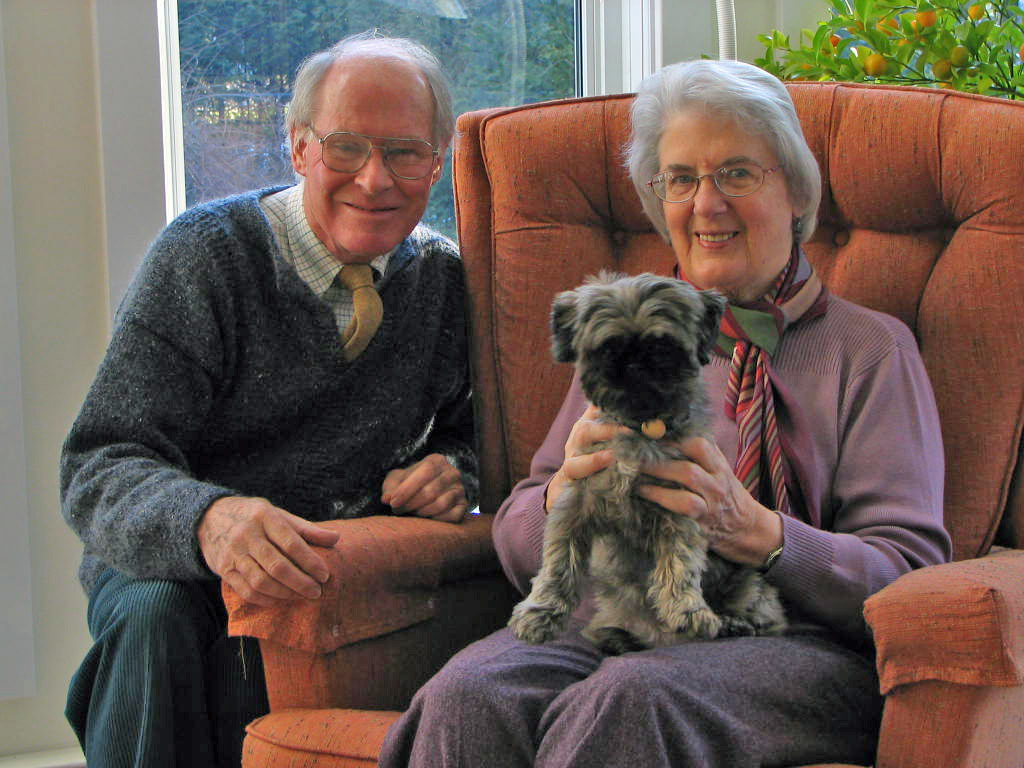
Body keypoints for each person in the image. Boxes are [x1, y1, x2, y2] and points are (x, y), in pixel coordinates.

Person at [378, 59, 952, 768]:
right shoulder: (622, 341)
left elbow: (909, 575)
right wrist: (563, 497)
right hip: (608, 619)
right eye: (681, 179)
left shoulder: (869, 352)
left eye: (737, 173)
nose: (705, 204)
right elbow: (524, 531)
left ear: (796, 192)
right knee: (468, 694)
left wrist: (763, 534)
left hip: (792, 645)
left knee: (635, 697)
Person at [60, 32, 475, 768]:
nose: (375, 179)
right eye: (345, 147)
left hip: (329, 569)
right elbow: (99, 463)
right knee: (158, 620)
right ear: (299, 149)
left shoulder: (443, 280)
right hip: (177, 561)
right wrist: (210, 519)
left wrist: (454, 468)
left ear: (437, 164)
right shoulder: (204, 256)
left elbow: (479, 435)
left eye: (405, 152)